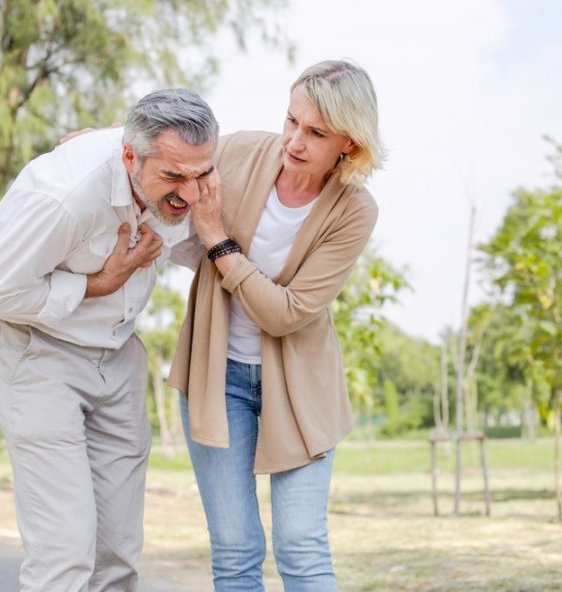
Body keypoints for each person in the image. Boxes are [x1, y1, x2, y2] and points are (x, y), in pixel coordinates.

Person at [0, 88, 219, 592]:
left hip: (118, 358)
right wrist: (95, 284)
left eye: (201, 175)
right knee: (64, 554)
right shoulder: (63, 195)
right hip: (37, 357)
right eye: (173, 177)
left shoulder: (186, 160)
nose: (190, 195)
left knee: (117, 555)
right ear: (129, 157)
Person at [170, 59, 384, 591]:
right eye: (292, 120)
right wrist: (101, 139)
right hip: (216, 378)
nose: (294, 140)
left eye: (315, 132)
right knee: (236, 550)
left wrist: (218, 242)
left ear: (349, 146)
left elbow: (285, 313)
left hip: (300, 390)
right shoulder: (242, 150)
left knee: (301, 547)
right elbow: (169, 147)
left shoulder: (355, 210)